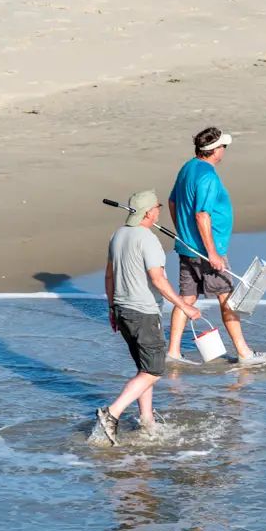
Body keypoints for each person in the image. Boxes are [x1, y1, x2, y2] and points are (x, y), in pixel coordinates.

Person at [95, 189, 202, 446]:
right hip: (143, 313)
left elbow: (109, 277)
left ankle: (147, 421)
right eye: (157, 208)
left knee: (144, 369)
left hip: (122, 311)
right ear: (149, 213)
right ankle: (112, 414)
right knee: (154, 371)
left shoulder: (117, 235)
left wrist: (111, 309)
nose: (158, 211)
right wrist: (185, 307)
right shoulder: (149, 239)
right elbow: (158, 279)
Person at [165, 127, 266, 367]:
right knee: (229, 299)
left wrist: (183, 234)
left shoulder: (187, 167)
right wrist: (213, 253)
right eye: (222, 146)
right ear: (215, 150)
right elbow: (202, 215)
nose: (224, 150)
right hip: (208, 251)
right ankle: (245, 354)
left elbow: (172, 202)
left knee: (187, 299)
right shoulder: (208, 176)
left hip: (188, 248)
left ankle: (173, 351)